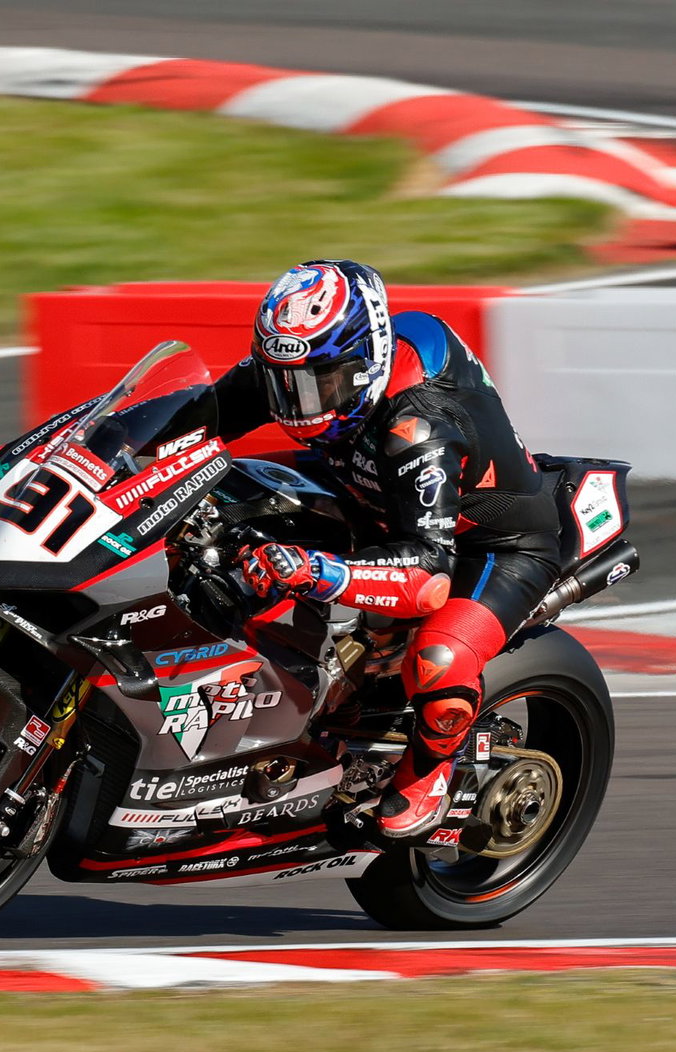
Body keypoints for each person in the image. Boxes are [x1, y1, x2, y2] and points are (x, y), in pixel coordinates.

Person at [212, 259, 562, 840]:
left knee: (439, 660)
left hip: (488, 547)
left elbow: (428, 574)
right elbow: (197, 418)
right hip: (372, 501)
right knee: (223, 495)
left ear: (363, 363)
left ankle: (429, 769)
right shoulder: (310, 357)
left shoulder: (420, 425)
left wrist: (315, 570)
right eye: (283, 383)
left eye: (318, 383)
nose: (298, 404)